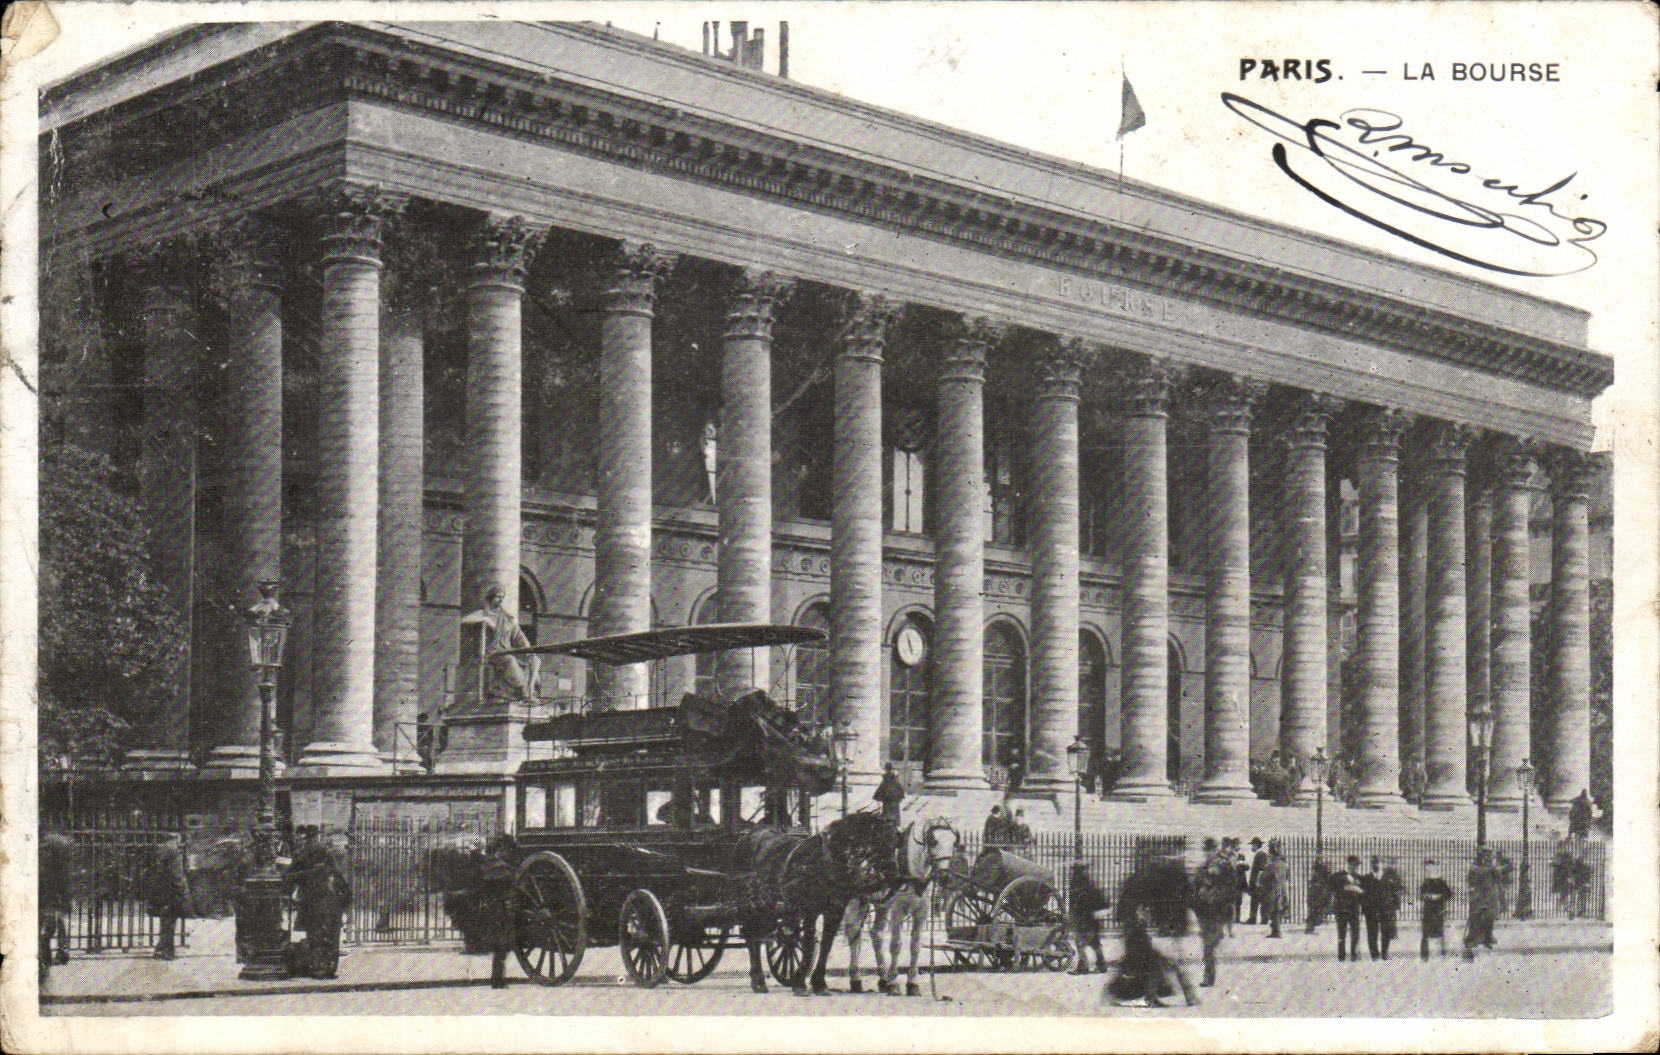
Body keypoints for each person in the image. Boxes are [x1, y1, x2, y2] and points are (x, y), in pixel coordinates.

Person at [287, 827, 352, 979]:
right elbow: (337, 876)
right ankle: (326, 969)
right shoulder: (324, 852)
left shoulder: (301, 854)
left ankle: (317, 967)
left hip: (310, 900)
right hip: (326, 899)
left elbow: (290, 877)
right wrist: (345, 898)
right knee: (328, 935)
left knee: (315, 934)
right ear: (317, 836)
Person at [460, 584, 541, 702]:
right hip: (493, 653)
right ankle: (522, 691)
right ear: (490, 598)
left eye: (502, 597)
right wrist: (485, 619)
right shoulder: (483, 613)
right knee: (509, 660)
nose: (500, 600)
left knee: (535, 659)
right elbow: (464, 620)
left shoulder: (507, 617)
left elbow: (519, 636)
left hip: (507, 651)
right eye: (497, 597)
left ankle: (530, 691)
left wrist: (528, 649)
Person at [1191, 837, 1237, 987]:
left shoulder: (1221, 865)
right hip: (1206, 911)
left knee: (1209, 945)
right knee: (1208, 943)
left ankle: (1209, 977)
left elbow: (1228, 887)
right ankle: (1209, 976)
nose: (1207, 853)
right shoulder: (1207, 866)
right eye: (1206, 850)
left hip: (1215, 910)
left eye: (1209, 849)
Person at [479, 834, 518, 989]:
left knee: (500, 947)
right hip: (499, 911)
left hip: (494, 910)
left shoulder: (489, 867)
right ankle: (497, 980)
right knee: (501, 945)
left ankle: (498, 979)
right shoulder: (500, 868)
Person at [147, 832, 191, 961]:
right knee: (170, 921)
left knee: (166, 920)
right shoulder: (174, 851)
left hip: (160, 890)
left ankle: (166, 949)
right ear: (177, 837)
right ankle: (162, 950)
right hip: (171, 892)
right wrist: (184, 891)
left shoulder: (161, 848)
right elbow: (177, 874)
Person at [1067, 860, 1111, 975]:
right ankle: (1101, 966)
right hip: (1091, 918)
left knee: (1080, 941)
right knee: (1094, 942)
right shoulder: (1088, 882)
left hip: (1085, 918)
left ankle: (1084, 966)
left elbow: (1078, 902)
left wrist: (1076, 915)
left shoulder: (1078, 883)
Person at [1464, 847, 1503, 959]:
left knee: (1489, 916)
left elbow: (1498, 879)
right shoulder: (1475, 867)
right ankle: (1473, 938)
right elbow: (1471, 880)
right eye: (1485, 855)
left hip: (1490, 895)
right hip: (1479, 894)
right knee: (1476, 917)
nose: (1487, 858)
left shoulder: (1492, 867)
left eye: (1488, 856)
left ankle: (1487, 937)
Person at [1359, 855, 1397, 960]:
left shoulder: (1389, 878)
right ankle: (1374, 955)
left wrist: (1394, 907)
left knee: (1386, 932)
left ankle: (1385, 953)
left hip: (1386, 910)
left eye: (1378, 863)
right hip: (1371, 910)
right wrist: (1365, 908)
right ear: (1371, 865)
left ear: (1382, 864)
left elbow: (1395, 893)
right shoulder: (1366, 879)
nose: (1376, 865)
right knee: (1372, 933)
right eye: (1373, 863)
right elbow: (1362, 896)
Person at [1329, 855, 1365, 962]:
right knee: (1342, 933)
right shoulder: (1337, 876)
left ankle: (1354, 955)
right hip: (1342, 909)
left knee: (1355, 933)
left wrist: (1359, 891)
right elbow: (1332, 889)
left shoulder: (1359, 877)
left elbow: (1364, 893)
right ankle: (1341, 956)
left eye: (1357, 865)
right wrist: (1346, 888)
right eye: (1354, 865)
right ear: (1349, 864)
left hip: (1354, 909)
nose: (1356, 867)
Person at [1419, 858, 1453, 959]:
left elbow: (1448, 894)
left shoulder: (1441, 882)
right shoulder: (1426, 882)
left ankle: (1442, 952)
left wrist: (1438, 896)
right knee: (1425, 932)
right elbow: (1421, 895)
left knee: (1440, 931)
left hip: (1438, 909)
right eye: (1427, 869)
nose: (1428, 870)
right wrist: (1427, 896)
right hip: (1428, 909)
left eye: (1430, 868)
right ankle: (1424, 954)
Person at [1258, 841, 1289, 939]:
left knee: (1273, 910)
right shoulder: (1284, 864)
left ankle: (1276, 931)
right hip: (1281, 888)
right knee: (1277, 909)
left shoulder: (1272, 865)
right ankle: (1276, 930)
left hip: (1272, 889)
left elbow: (1262, 878)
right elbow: (1287, 876)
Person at [1305, 857, 1333, 934]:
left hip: (1317, 893)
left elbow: (1314, 882)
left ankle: (1311, 927)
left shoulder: (1319, 871)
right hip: (1319, 893)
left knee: (1316, 911)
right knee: (1319, 910)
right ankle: (1310, 928)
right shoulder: (1323, 872)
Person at [1246, 837, 1268, 924]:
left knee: (1255, 900)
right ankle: (1262, 919)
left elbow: (1260, 870)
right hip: (1260, 883)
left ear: (1256, 845)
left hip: (1258, 883)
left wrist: (1256, 883)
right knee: (1260, 900)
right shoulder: (1262, 854)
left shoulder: (1260, 855)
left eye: (1252, 845)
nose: (1251, 847)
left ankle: (1253, 919)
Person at [1233, 841, 1251, 925]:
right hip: (1232, 883)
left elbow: (1247, 868)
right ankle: (1231, 919)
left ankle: (1237, 919)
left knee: (1238, 901)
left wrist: (1242, 863)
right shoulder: (1229, 856)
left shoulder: (1241, 856)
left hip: (1240, 882)